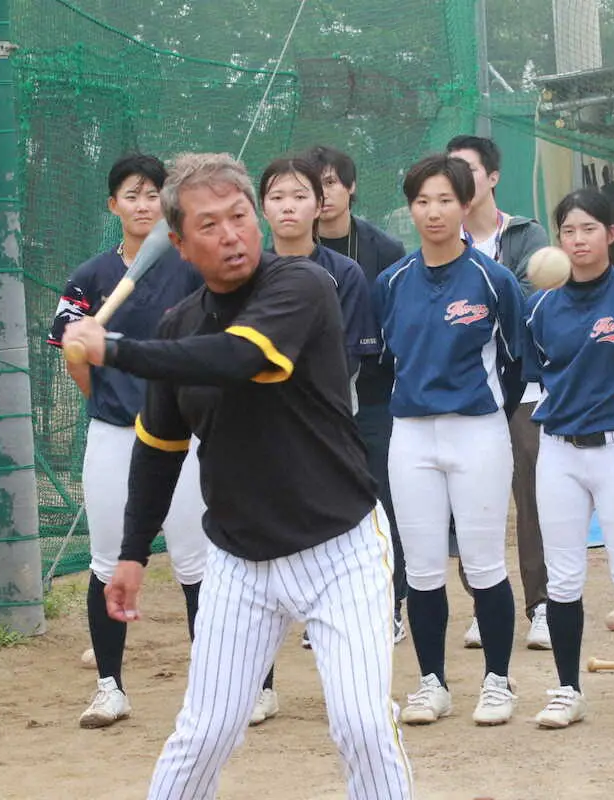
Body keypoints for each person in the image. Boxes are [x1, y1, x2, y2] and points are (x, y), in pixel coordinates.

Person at [61, 152, 413, 799]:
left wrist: (114, 348)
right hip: (238, 561)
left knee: (363, 724)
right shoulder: (179, 324)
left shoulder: (303, 287)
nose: (232, 234)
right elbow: (160, 447)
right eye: (209, 224)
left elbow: (240, 358)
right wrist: (134, 553)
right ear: (180, 245)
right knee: (204, 733)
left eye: (238, 216)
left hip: (339, 549)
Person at [46, 152, 207, 729]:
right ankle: (109, 686)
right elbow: (73, 355)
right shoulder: (89, 277)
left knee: (198, 561)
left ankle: (221, 688)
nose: (142, 205)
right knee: (108, 560)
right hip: (114, 435)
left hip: (185, 436)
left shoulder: (191, 265)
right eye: (130, 195)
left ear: (167, 204)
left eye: (151, 195)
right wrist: (111, 402)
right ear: (112, 205)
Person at [375, 153, 525, 726]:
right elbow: (386, 363)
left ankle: (497, 681)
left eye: (444, 200)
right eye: (421, 201)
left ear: (466, 205)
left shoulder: (495, 279)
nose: (432, 212)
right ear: (409, 208)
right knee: (421, 570)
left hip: (479, 435)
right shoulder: (391, 283)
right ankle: (431, 682)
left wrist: (480, 413)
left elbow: (515, 366)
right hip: (410, 437)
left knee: (485, 565)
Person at [246, 155, 385, 726]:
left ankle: (352, 694)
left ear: (319, 204)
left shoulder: (343, 275)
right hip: (256, 436)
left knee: (334, 549)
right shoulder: (244, 272)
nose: (288, 206)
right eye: (276, 196)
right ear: (262, 207)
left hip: (327, 431)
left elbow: (346, 358)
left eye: (299, 195)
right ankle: (260, 686)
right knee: (256, 557)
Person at [523, 189, 614, 731]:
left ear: (610, 233)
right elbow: (531, 374)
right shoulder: (540, 305)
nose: (577, 240)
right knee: (562, 580)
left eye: (588, 228)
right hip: (558, 451)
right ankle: (566, 690)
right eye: (567, 230)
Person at [446, 134, 552, 651]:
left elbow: (532, 304)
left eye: (468, 170)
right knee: (474, 503)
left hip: (525, 388)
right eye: (450, 171)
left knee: (533, 498)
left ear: (491, 178)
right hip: (467, 394)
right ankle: (482, 601)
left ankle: (544, 605)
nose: (459, 181)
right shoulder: (439, 244)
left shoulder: (527, 235)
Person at [307, 144, 409, 642]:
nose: (322, 194)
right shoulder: (285, 252)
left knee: (381, 499)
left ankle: (391, 602)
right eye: (314, 185)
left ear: (350, 188)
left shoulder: (384, 250)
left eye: (331, 183)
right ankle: (322, 610)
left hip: (373, 395)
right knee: (320, 502)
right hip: (309, 405)